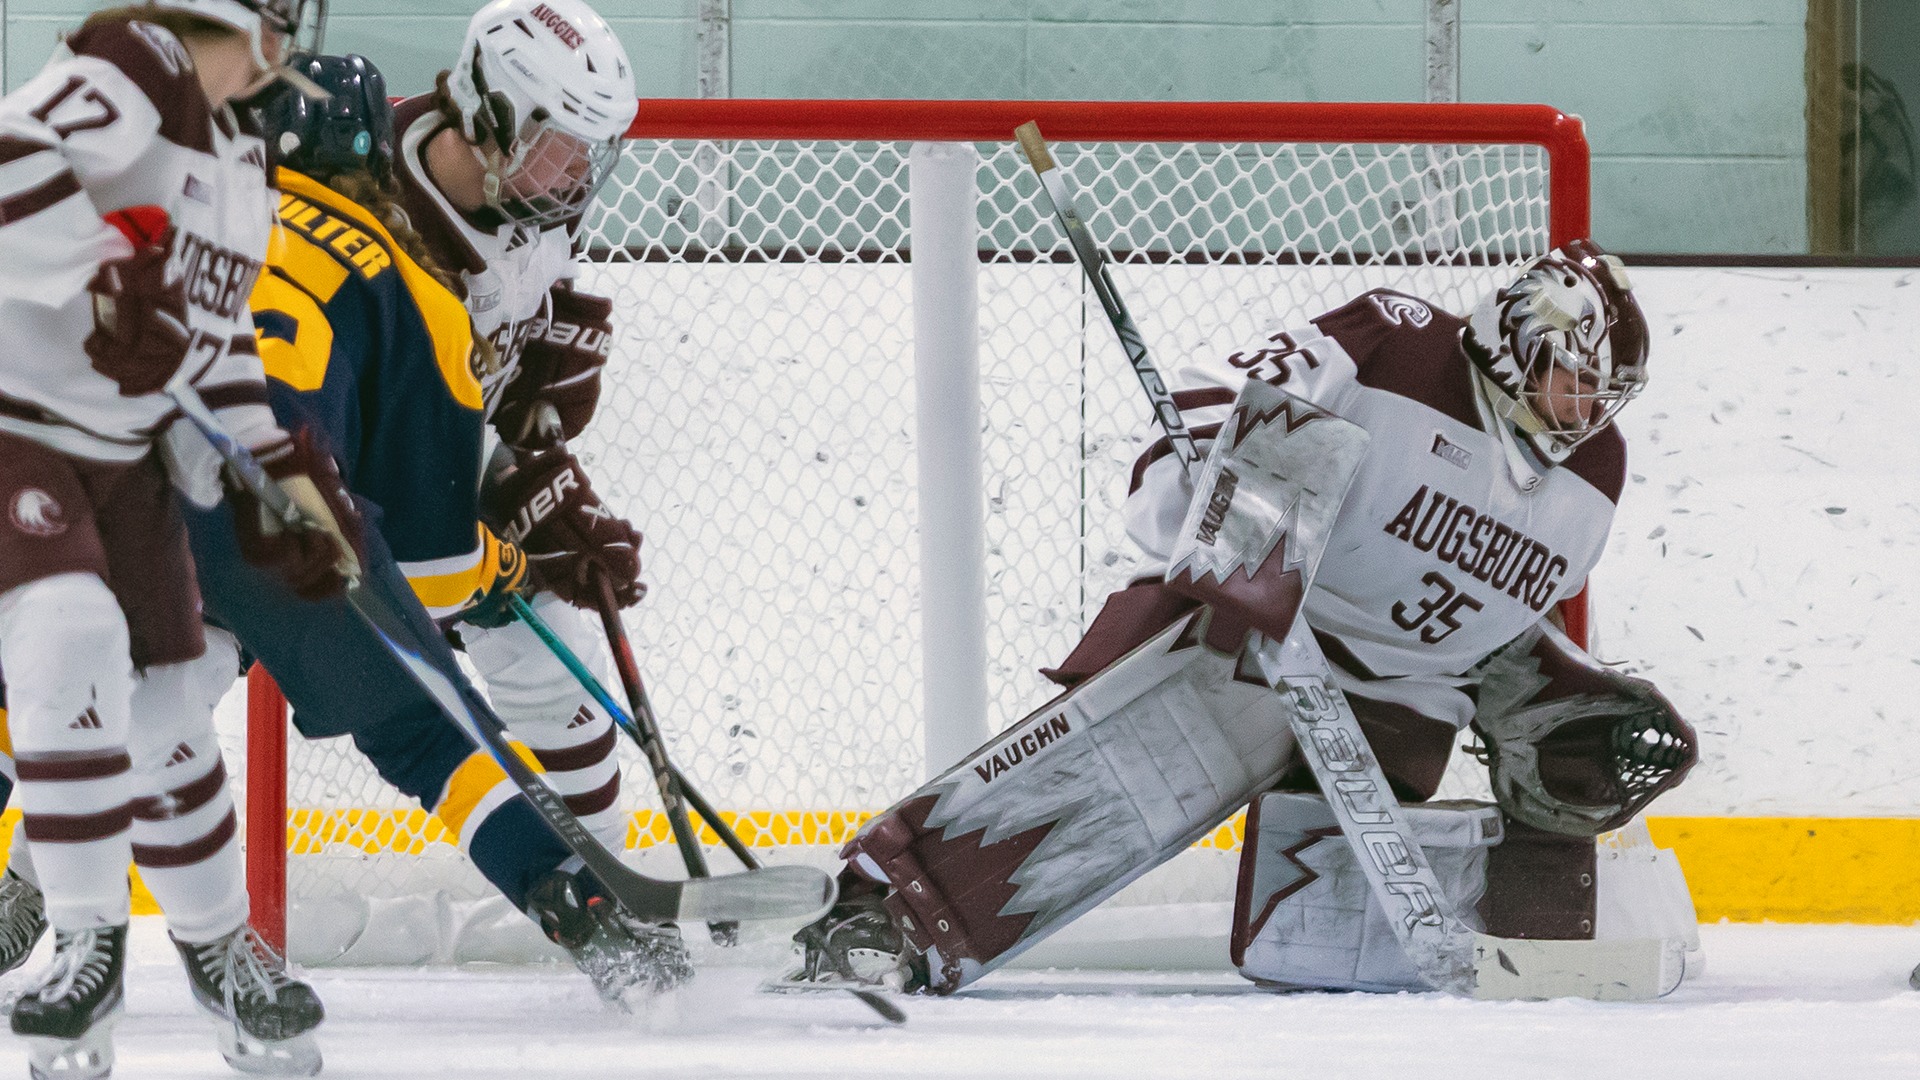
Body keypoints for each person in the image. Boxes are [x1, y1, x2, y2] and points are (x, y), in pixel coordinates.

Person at [786, 241, 1700, 996]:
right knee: (1100, 788)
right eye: (1570, 379)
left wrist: (1530, 685)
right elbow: (1217, 393)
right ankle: (882, 911)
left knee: (1317, 919)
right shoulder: (1394, 340)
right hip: (1272, 639)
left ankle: (1546, 925)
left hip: (1409, 704)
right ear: (1512, 339)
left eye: (1600, 393)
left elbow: (1510, 612)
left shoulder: (1596, 469)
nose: (1584, 410)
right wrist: (1223, 490)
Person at [182, 46, 689, 1004]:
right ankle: (585, 901)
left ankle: (57, 900)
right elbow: (434, 564)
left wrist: (530, 457)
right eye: (557, 144)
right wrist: (507, 555)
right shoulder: (406, 270)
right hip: (316, 505)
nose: (577, 173)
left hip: (109, 477)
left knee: (95, 683)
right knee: (426, 726)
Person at [0, 0, 344, 1075]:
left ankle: (215, 947)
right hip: (21, 428)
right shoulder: (133, 60)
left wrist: (266, 473)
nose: (288, 53)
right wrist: (100, 270)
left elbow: (214, 344)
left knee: (166, 705)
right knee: (67, 629)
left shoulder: (240, 154)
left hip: (129, 461)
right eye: (278, 24)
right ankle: (87, 942)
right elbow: (9, 157)